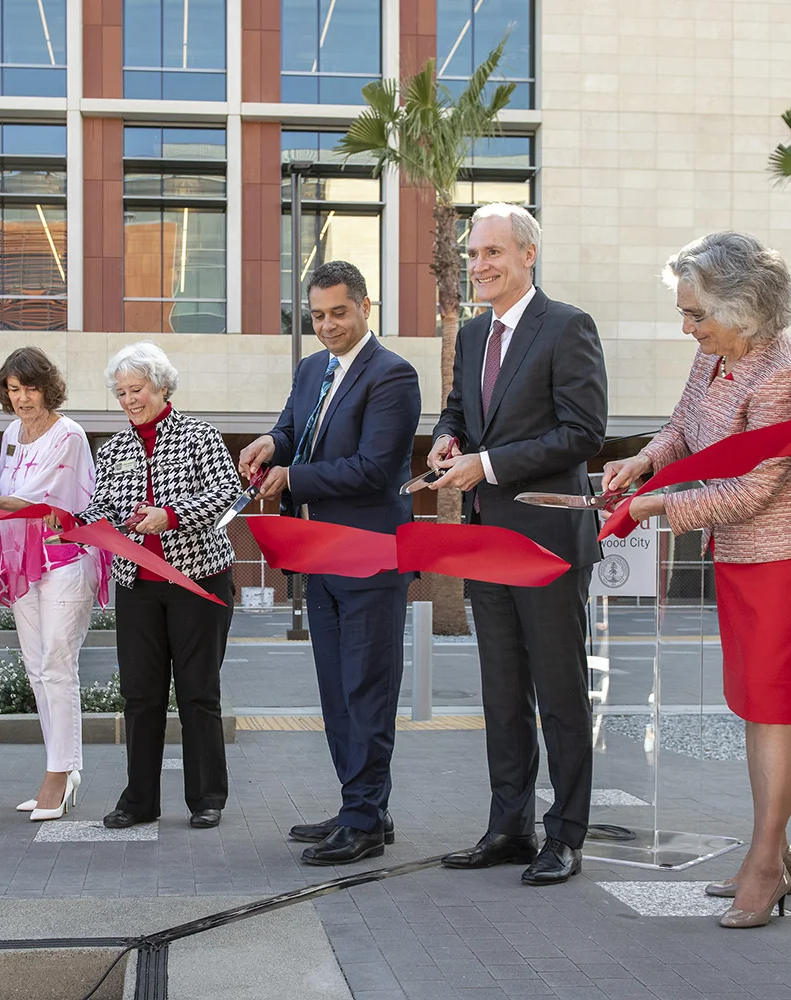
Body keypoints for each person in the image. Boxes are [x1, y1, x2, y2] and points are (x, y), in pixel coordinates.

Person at [604, 233, 791, 928]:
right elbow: (682, 427)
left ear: (745, 310)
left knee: (772, 712)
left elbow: (750, 493)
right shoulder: (717, 352)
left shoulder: (785, 378)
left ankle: (766, 866)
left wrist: (655, 508)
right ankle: (771, 849)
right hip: (740, 553)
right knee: (752, 707)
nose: (688, 329)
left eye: (696, 315)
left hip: (787, 554)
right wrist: (643, 463)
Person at [428, 203, 608, 886]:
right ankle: (508, 827)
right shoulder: (473, 336)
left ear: (528, 254)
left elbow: (584, 432)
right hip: (486, 542)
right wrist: (450, 438)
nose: (478, 266)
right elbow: (459, 408)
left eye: (492, 253)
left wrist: (490, 464)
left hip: (547, 542)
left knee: (560, 695)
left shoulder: (567, 326)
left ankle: (565, 836)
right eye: (473, 254)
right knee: (502, 696)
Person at [237, 261, 421, 865]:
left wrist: (294, 476)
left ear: (366, 307)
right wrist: (271, 444)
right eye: (316, 315)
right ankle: (361, 806)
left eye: (338, 312)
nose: (327, 326)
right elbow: (294, 430)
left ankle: (364, 819)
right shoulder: (313, 368)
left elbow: (374, 468)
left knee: (368, 690)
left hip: (369, 558)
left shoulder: (393, 376)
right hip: (320, 558)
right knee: (337, 693)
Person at [51, 343, 240, 831]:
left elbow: (225, 495)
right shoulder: (113, 449)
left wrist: (171, 516)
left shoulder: (200, 436)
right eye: (121, 392)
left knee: (199, 692)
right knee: (140, 695)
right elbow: (104, 511)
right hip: (136, 584)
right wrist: (71, 523)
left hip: (199, 582)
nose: (129, 400)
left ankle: (206, 798)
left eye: (136, 389)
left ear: (162, 386)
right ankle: (140, 800)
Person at [0, 347, 105, 821]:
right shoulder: (10, 434)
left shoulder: (70, 434)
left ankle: (58, 776)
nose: (22, 398)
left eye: (30, 387)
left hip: (66, 558)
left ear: (49, 386)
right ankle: (63, 768)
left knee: (57, 665)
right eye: (13, 388)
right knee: (37, 669)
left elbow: (33, 498)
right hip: (22, 560)